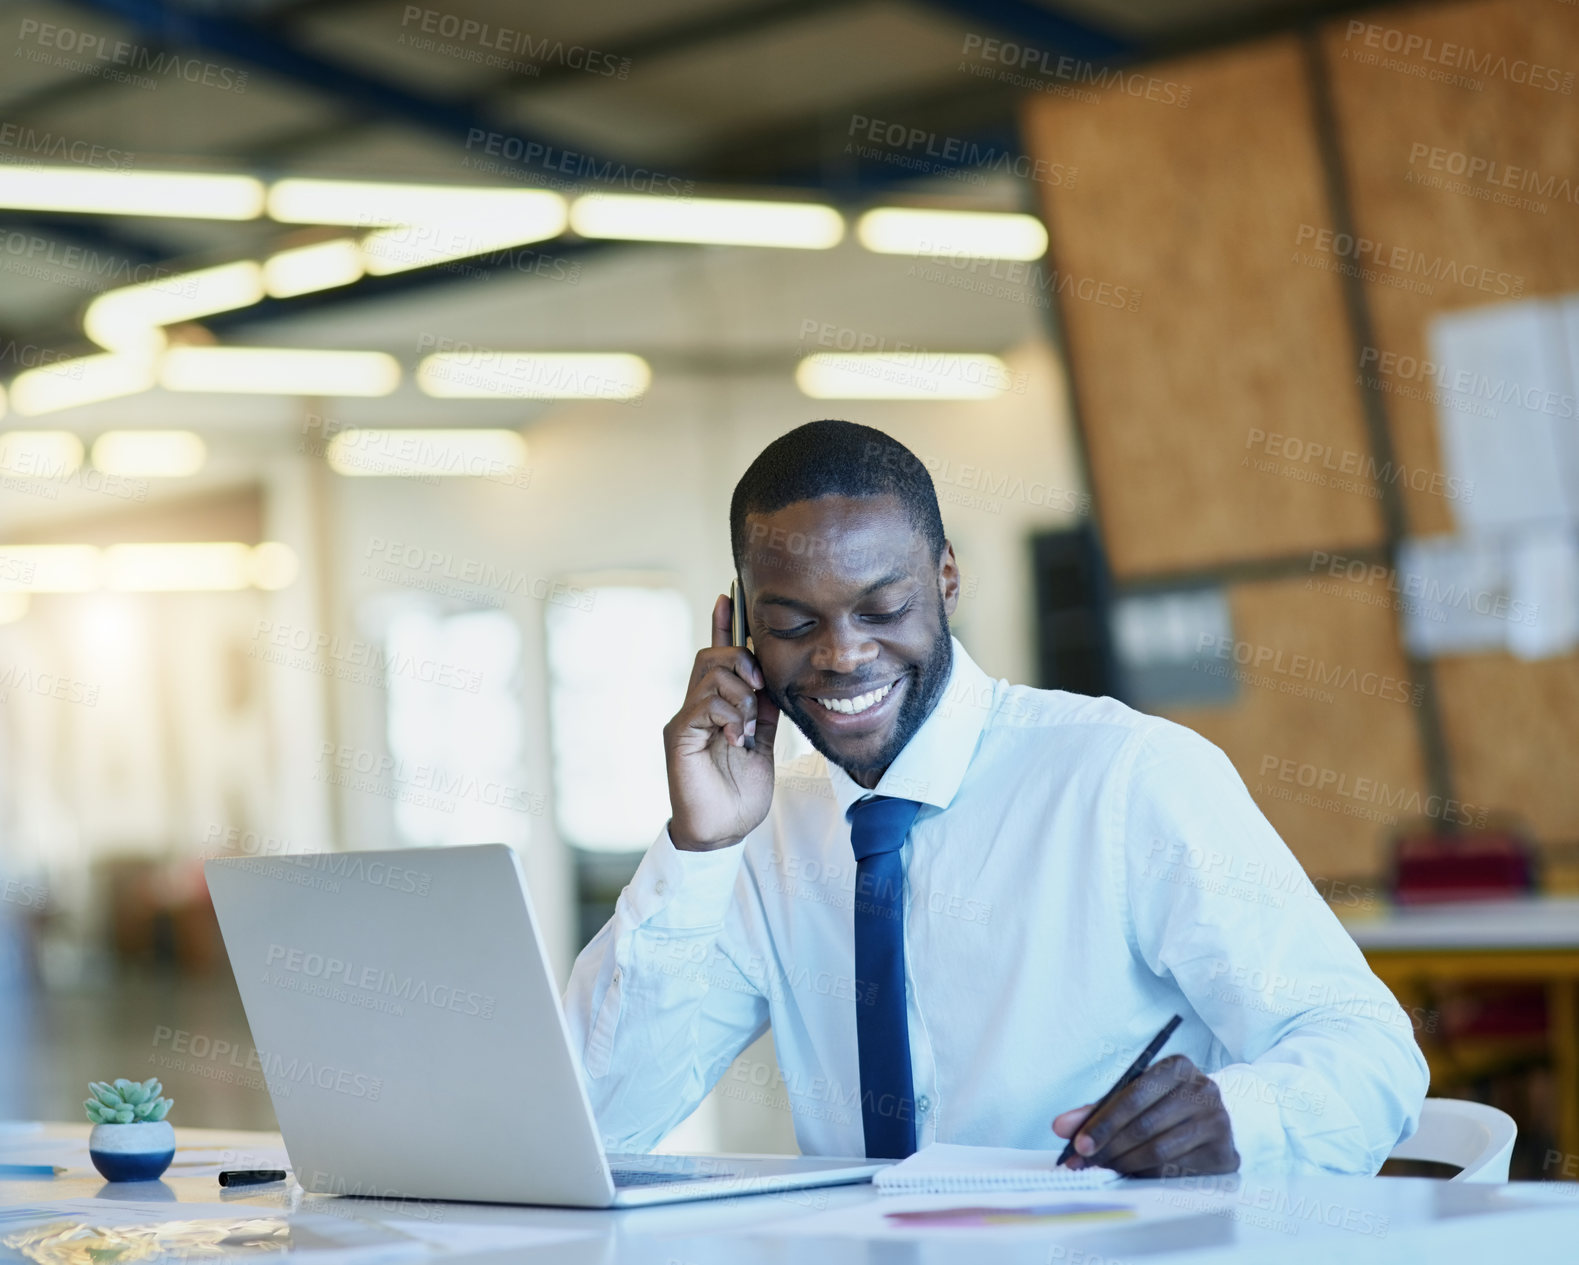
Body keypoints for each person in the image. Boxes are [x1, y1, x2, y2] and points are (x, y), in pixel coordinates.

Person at [564, 419, 1427, 1175]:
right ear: (741, 628)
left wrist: (1237, 1118)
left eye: (882, 607)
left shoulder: (1125, 776)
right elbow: (597, 1122)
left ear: (945, 577)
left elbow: (1368, 1048)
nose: (842, 654)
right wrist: (699, 848)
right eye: (793, 623)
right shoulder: (763, 832)